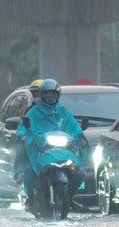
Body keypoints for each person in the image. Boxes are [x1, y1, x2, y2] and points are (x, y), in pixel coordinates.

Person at [18, 78, 85, 206]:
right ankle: (31, 198)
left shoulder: (63, 112)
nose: (50, 96)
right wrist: (25, 137)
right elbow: (23, 128)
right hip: (40, 151)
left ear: (57, 95)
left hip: (63, 152)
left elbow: (74, 127)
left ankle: (69, 197)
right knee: (28, 171)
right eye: (47, 93)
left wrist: (80, 138)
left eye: (53, 93)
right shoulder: (34, 112)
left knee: (80, 172)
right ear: (42, 94)